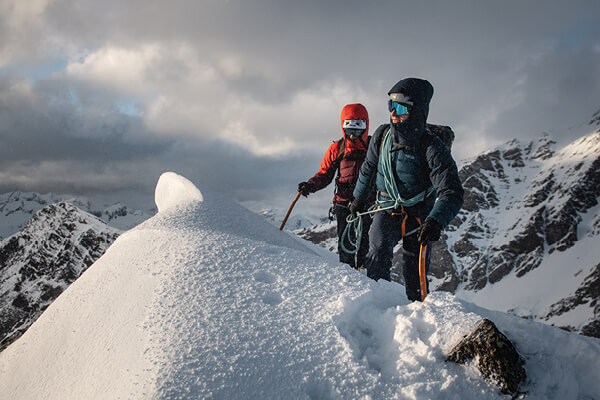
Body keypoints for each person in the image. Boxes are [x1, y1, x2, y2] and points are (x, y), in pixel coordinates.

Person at [350, 78, 464, 301]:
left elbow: (451, 190)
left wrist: (435, 220)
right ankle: (377, 307)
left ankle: (417, 316)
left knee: (415, 270)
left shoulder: (432, 147)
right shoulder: (382, 136)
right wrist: (358, 198)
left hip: (419, 214)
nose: (394, 113)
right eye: (391, 106)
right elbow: (368, 169)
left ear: (417, 110)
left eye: (401, 108)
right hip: (386, 207)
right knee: (377, 254)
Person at [297, 103, 374, 269]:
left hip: (369, 204)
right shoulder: (337, 149)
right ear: (343, 128)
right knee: (345, 243)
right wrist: (310, 185)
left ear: (365, 126)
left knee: (366, 244)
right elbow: (325, 174)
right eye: (349, 130)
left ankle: (367, 278)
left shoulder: (374, 147)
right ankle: (349, 277)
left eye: (357, 129)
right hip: (344, 203)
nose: (353, 135)